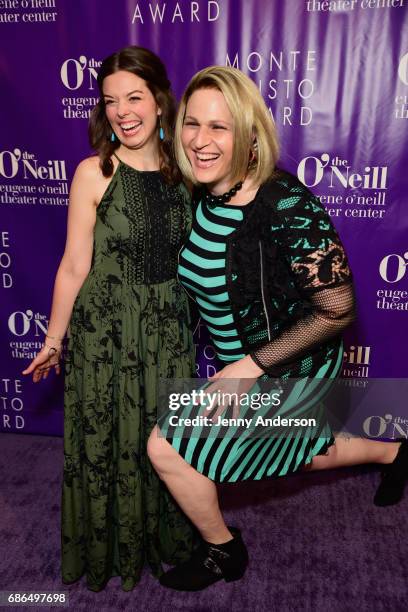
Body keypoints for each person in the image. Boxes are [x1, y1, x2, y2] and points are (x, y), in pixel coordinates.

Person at [146, 66, 408, 592]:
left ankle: (225, 552)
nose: (200, 141)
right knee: (302, 449)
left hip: (291, 366)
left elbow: (337, 309)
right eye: (191, 124)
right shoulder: (206, 193)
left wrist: (248, 366)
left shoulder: (285, 205)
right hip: (244, 362)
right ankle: (396, 451)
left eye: (219, 127)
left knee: (166, 447)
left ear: (248, 134)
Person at [22, 46, 197, 592]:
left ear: (160, 101)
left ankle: (165, 537)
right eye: (111, 101)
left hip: (168, 328)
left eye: (135, 97)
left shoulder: (188, 169)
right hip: (106, 333)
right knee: (108, 441)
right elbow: (74, 264)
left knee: (164, 440)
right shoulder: (93, 172)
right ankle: (112, 548)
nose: (123, 111)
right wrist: (55, 339)